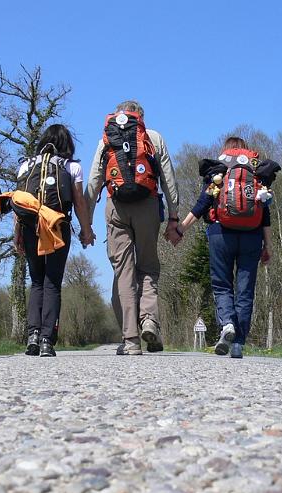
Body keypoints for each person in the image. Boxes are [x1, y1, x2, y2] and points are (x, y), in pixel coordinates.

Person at [84, 100, 181, 355]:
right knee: (148, 266)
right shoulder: (153, 136)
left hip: (115, 207)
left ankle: (131, 340)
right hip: (148, 205)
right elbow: (169, 179)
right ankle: (149, 319)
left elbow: (94, 179)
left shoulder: (107, 137)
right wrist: (174, 217)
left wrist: (86, 223)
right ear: (142, 117)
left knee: (123, 274)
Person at [175, 136, 274, 359]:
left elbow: (203, 203)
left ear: (226, 151)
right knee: (245, 290)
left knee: (222, 285)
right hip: (252, 235)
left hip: (220, 233)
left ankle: (227, 324)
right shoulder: (256, 173)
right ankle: (238, 343)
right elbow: (265, 214)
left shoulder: (218, 170)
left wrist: (180, 229)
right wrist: (268, 246)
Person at [19, 124, 95, 357]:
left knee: (36, 282)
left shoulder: (26, 165)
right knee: (52, 282)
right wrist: (86, 230)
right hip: (57, 226)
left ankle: (32, 336)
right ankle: (46, 340)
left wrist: (18, 235)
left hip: (30, 226)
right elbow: (80, 202)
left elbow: (19, 201)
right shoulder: (72, 167)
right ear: (68, 145)